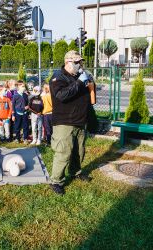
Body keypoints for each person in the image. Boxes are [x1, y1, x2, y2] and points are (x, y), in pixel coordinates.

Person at [49, 50, 93, 195]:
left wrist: (87, 83)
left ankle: (76, 171)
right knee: (63, 152)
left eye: (81, 62)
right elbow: (62, 95)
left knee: (78, 151)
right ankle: (56, 181)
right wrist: (80, 82)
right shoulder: (58, 77)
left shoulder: (80, 76)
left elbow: (89, 97)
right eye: (77, 62)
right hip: (64, 121)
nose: (80, 65)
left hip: (80, 121)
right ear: (68, 62)